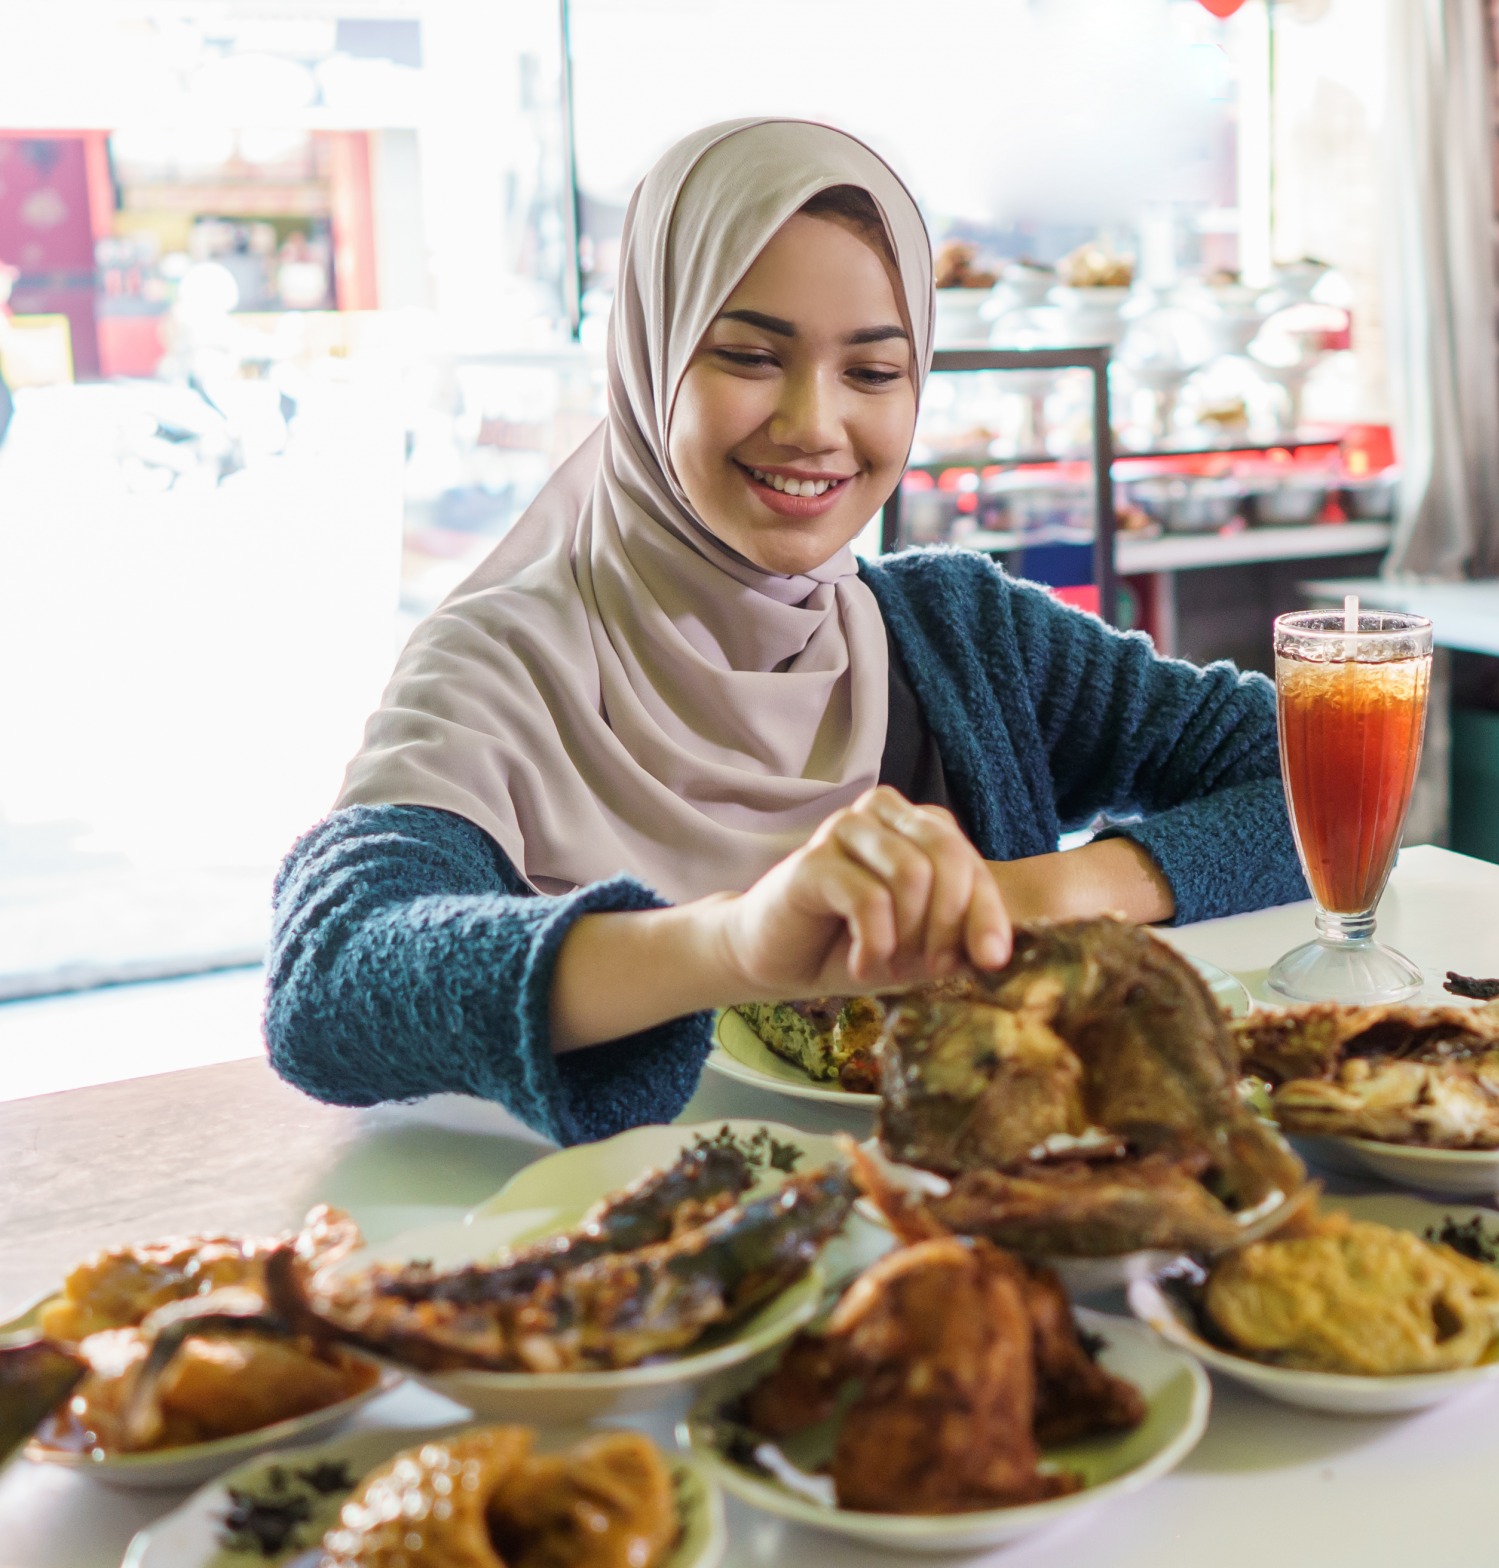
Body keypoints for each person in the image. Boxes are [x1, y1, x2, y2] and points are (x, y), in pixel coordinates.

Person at [265, 120, 1305, 1146]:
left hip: (965, 1260)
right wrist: (735, 943)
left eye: (872, 371)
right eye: (752, 355)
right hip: (636, 1274)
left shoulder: (964, 635)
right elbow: (330, 978)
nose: (814, 423)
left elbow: (1309, 767)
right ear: (651, 356)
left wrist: (1033, 892)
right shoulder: (501, 661)